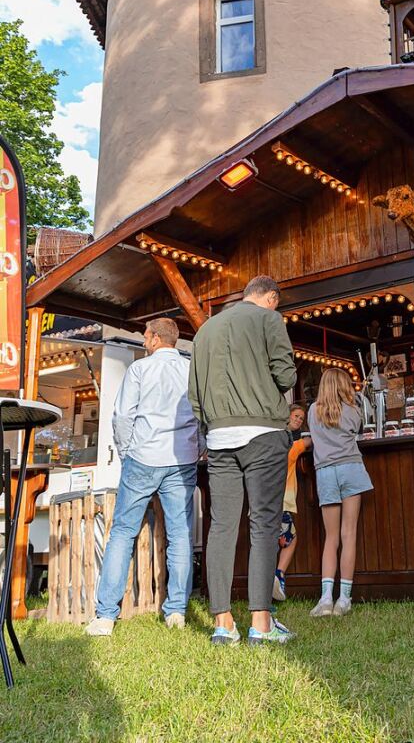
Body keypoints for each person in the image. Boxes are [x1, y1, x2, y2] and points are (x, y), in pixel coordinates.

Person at [189, 274, 297, 647]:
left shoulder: (205, 331)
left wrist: (211, 425)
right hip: (263, 432)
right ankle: (261, 624)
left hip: (218, 437)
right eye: (276, 303)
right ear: (270, 297)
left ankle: (223, 623)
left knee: (221, 526)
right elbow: (285, 375)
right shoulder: (270, 319)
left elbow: (195, 395)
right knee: (264, 525)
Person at [86, 318, 201, 636]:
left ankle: (106, 616)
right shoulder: (191, 370)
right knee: (180, 535)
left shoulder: (139, 369)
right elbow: (202, 414)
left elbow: (123, 416)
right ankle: (176, 611)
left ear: (154, 339)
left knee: (122, 533)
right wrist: (198, 447)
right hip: (181, 459)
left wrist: (126, 452)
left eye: (146, 336)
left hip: (143, 457)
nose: (144, 340)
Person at [308, 368, 373, 617]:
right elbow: (359, 426)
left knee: (331, 537)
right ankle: (343, 599)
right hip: (350, 468)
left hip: (325, 472)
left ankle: (325, 598)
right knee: (349, 534)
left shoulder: (313, 411)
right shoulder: (352, 411)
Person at [272, 404, 310, 601]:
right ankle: (278, 575)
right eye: (296, 416)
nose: (298, 420)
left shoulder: (271, 442)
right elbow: (309, 443)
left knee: (272, 539)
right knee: (290, 540)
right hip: (282, 503)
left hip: (266, 502)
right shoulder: (291, 447)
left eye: (302, 419)